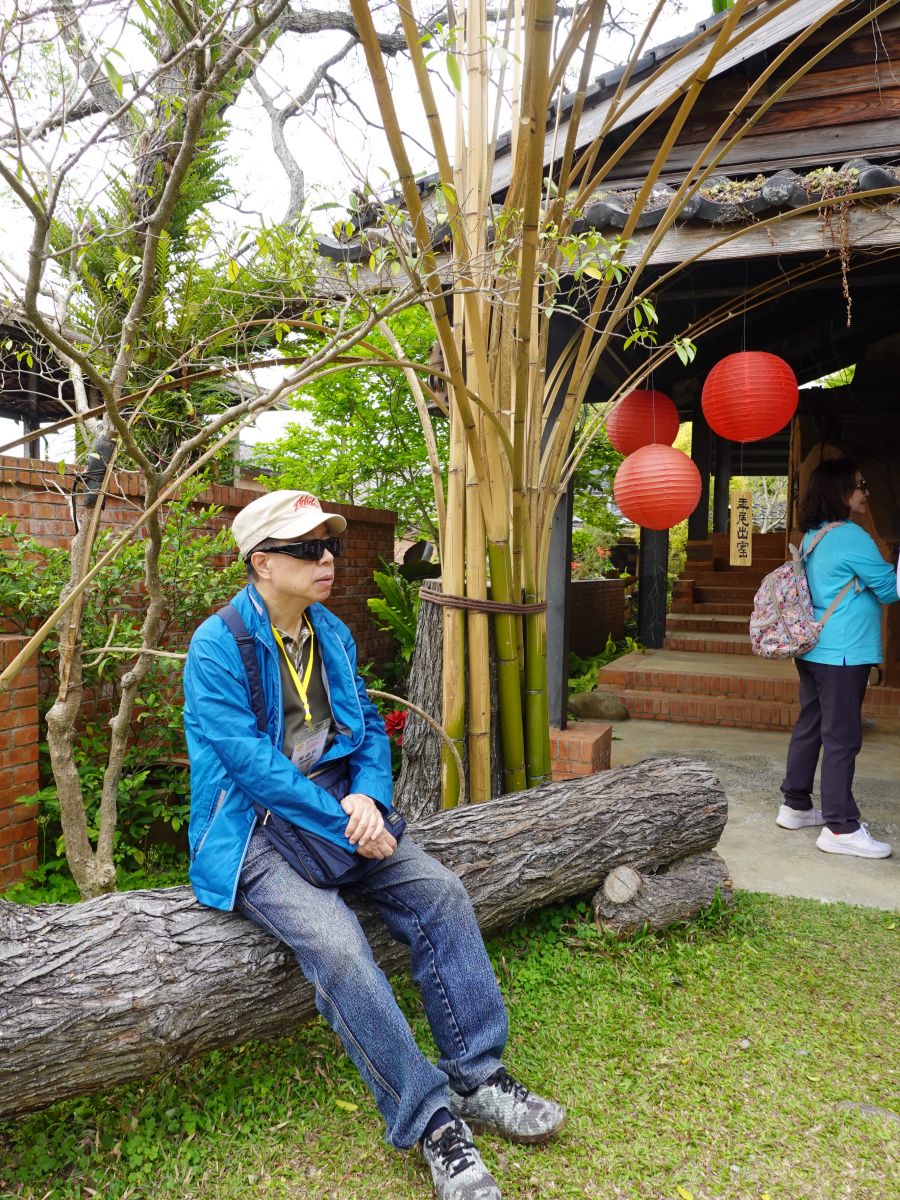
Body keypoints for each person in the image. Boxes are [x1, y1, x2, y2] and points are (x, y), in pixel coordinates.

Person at [183, 490, 565, 1200]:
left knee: (441, 893)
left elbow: (364, 728)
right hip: (252, 828)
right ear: (262, 563)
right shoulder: (216, 647)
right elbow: (248, 766)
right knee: (338, 946)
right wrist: (346, 822)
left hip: (337, 806)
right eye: (307, 549)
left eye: (329, 546)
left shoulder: (329, 631)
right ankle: (431, 1121)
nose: (326, 560)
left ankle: (477, 1075)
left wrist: (369, 799)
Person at [777, 459, 897, 858]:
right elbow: (890, 589)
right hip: (843, 652)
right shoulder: (852, 537)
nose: (866, 492)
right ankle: (841, 827)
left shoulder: (816, 535)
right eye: (861, 484)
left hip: (814, 650)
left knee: (811, 725)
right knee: (842, 737)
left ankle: (795, 804)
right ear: (842, 489)